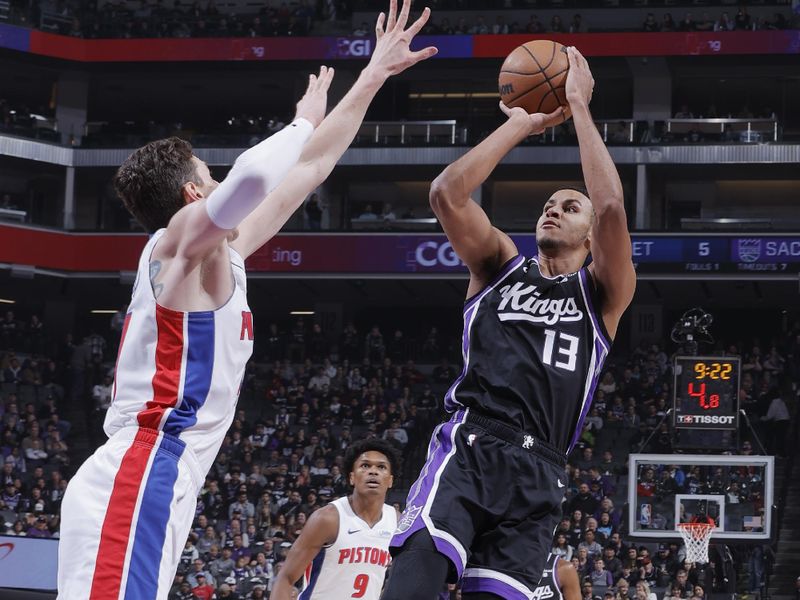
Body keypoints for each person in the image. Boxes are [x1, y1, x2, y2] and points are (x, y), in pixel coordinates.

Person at [56, 1, 437, 597]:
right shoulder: (173, 246)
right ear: (193, 193)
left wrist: (372, 76)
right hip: (142, 469)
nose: (220, 182)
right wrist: (301, 121)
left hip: (167, 474)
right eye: (211, 176)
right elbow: (258, 177)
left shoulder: (224, 253)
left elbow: (311, 166)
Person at [383, 47, 636, 599]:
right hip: (471, 444)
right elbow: (446, 194)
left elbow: (612, 206)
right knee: (410, 587)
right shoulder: (499, 265)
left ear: (591, 238)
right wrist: (520, 125)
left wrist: (579, 107)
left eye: (570, 207)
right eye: (549, 203)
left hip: (541, 474)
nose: (553, 209)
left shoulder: (602, 293)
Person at [269, 439, 400, 599]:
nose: (373, 471)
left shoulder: (396, 521)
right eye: (365, 466)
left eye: (381, 467)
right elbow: (286, 578)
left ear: (390, 481)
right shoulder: (328, 518)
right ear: (352, 477)